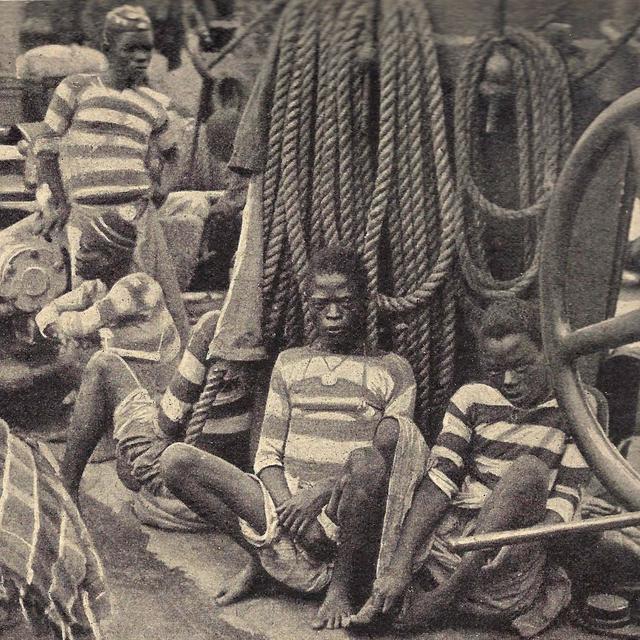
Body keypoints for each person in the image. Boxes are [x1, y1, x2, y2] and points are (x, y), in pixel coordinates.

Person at [159, 246, 427, 630]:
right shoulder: (290, 363)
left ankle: (340, 587)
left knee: (368, 463)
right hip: (285, 507)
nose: (332, 315)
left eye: (344, 303)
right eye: (322, 305)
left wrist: (319, 495)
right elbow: (267, 456)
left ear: (365, 302)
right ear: (309, 304)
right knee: (176, 461)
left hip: (344, 509)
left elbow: (392, 457)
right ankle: (263, 560)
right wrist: (294, 514)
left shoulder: (394, 370)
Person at [349, 298, 593, 638]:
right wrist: (401, 565)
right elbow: (441, 480)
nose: (507, 380)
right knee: (401, 437)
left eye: (521, 367)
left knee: (528, 471)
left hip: (511, 556)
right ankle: (394, 579)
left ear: (548, 352)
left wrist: (520, 544)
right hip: (452, 545)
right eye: (494, 369)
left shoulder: (577, 408)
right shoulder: (472, 397)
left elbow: (564, 501)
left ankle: (444, 600)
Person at [33, 4, 189, 347]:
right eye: (130, 48)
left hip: (138, 217)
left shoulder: (153, 103)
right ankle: (93, 376)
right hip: (87, 217)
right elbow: (45, 146)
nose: (140, 57)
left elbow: (174, 155)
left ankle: (164, 372)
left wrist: (159, 192)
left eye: (146, 49)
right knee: (90, 299)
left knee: (149, 299)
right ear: (108, 45)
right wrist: (58, 201)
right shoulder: (75, 88)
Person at [35, 211, 181, 504]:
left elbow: (82, 323)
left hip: (161, 407)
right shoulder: (97, 287)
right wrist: (57, 326)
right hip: (133, 391)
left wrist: (60, 327)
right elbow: (45, 312)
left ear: (112, 256)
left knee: (98, 362)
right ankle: (97, 441)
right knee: (78, 357)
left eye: (88, 249)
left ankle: (67, 484)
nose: (78, 254)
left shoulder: (138, 288)